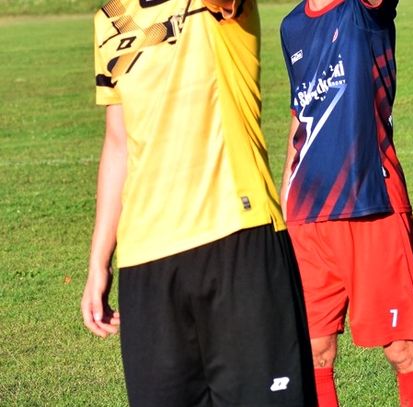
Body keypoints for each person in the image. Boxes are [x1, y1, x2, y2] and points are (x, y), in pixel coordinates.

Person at [80, 0, 317, 406]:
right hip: (146, 262)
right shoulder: (111, 18)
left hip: (236, 238)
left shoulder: (211, 7)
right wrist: (99, 261)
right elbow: (118, 142)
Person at [279, 0, 413, 406]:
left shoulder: (364, 9)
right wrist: (286, 198)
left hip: (371, 204)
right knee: (313, 352)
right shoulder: (292, 26)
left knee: (403, 349)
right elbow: (300, 113)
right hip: (307, 213)